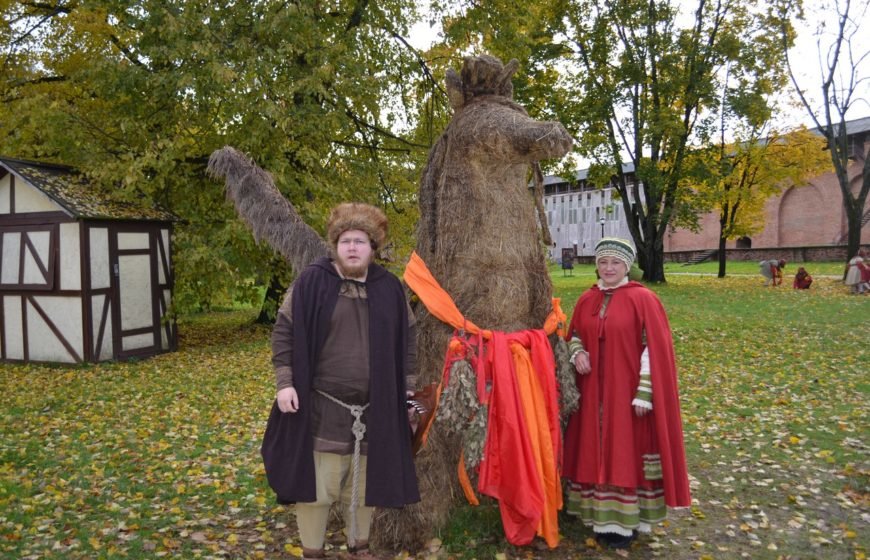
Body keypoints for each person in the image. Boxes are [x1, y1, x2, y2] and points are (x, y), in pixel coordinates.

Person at [261, 203, 420, 560]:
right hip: (322, 406)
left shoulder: (389, 288)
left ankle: (359, 547)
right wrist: (285, 383)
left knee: (364, 487)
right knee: (318, 487)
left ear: (372, 248)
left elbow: (408, 338)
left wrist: (407, 386)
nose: (352, 248)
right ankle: (313, 552)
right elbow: (284, 331)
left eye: (359, 241)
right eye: (345, 241)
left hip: (376, 406)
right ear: (335, 245)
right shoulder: (312, 281)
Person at [563, 238, 690, 549]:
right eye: (603, 262)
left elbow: (653, 349)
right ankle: (598, 516)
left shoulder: (643, 299)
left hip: (627, 392)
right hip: (592, 392)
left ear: (627, 266)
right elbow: (575, 334)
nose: (609, 268)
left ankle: (624, 524)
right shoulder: (586, 299)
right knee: (594, 447)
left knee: (624, 451)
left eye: (615, 263)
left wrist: (645, 391)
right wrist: (577, 353)